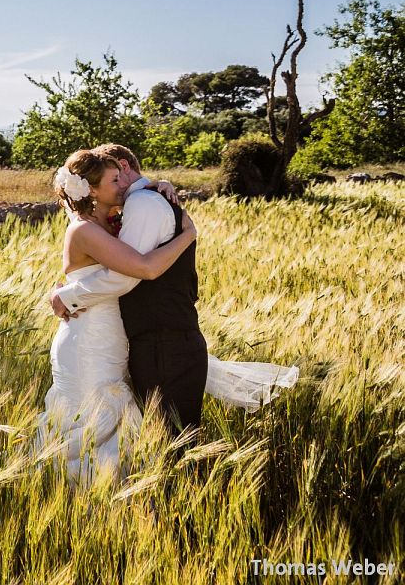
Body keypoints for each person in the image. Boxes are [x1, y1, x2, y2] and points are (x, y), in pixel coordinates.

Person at [36, 144, 299, 483]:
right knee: (89, 418)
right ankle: (74, 492)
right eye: (114, 181)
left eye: (121, 178)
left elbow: (127, 239)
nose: (122, 187)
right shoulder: (85, 229)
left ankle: (110, 500)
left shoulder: (110, 220)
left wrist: (154, 183)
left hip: (111, 338)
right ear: (92, 190)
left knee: (111, 421)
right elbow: (142, 268)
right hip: (88, 340)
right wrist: (188, 234)